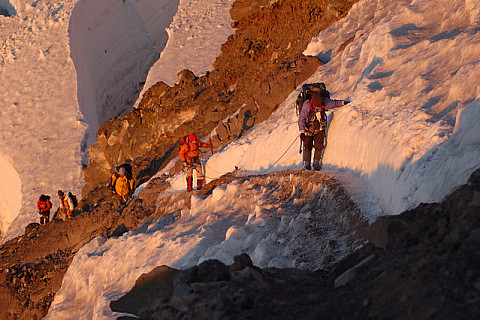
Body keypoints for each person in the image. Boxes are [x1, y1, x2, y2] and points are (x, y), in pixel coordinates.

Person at [298, 92, 350, 170]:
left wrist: (343, 102)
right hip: (308, 127)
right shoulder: (306, 105)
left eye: (319, 107)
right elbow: (301, 118)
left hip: (320, 127)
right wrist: (302, 131)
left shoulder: (326, 102)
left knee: (319, 144)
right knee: (307, 145)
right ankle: (307, 164)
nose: (317, 108)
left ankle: (316, 163)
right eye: (316, 107)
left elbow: (335, 103)